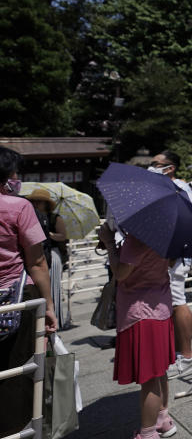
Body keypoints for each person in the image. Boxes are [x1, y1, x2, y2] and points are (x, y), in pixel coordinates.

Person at [99, 212, 178, 439]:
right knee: (160, 370)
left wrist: (109, 244)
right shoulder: (166, 233)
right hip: (161, 307)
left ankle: (148, 432)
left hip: (140, 312)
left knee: (149, 379)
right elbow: (171, 263)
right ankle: (162, 418)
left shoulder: (138, 238)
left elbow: (121, 273)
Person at [0, 147, 58, 436]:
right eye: (15, 173)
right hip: (16, 300)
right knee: (16, 376)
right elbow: (36, 261)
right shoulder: (18, 207)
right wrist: (48, 306)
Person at [149, 151, 192, 379]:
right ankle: (177, 352)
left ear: (169, 168)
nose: (150, 168)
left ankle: (187, 357)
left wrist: (173, 252)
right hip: (164, 252)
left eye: (155, 164)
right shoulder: (165, 188)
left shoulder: (178, 189)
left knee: (178, 301)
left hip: (175, 253)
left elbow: (183, 221)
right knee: (169, 302)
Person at [23, 187, 68, 326]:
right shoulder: (29, 216)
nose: (36, 204)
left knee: (52, 286)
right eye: (34, 201)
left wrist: (48, 234)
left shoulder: (54, 217)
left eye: (40, 201)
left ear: (46, 203)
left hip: (52, 252)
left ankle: (54, 318)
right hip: (36, 254)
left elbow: (63, 236)